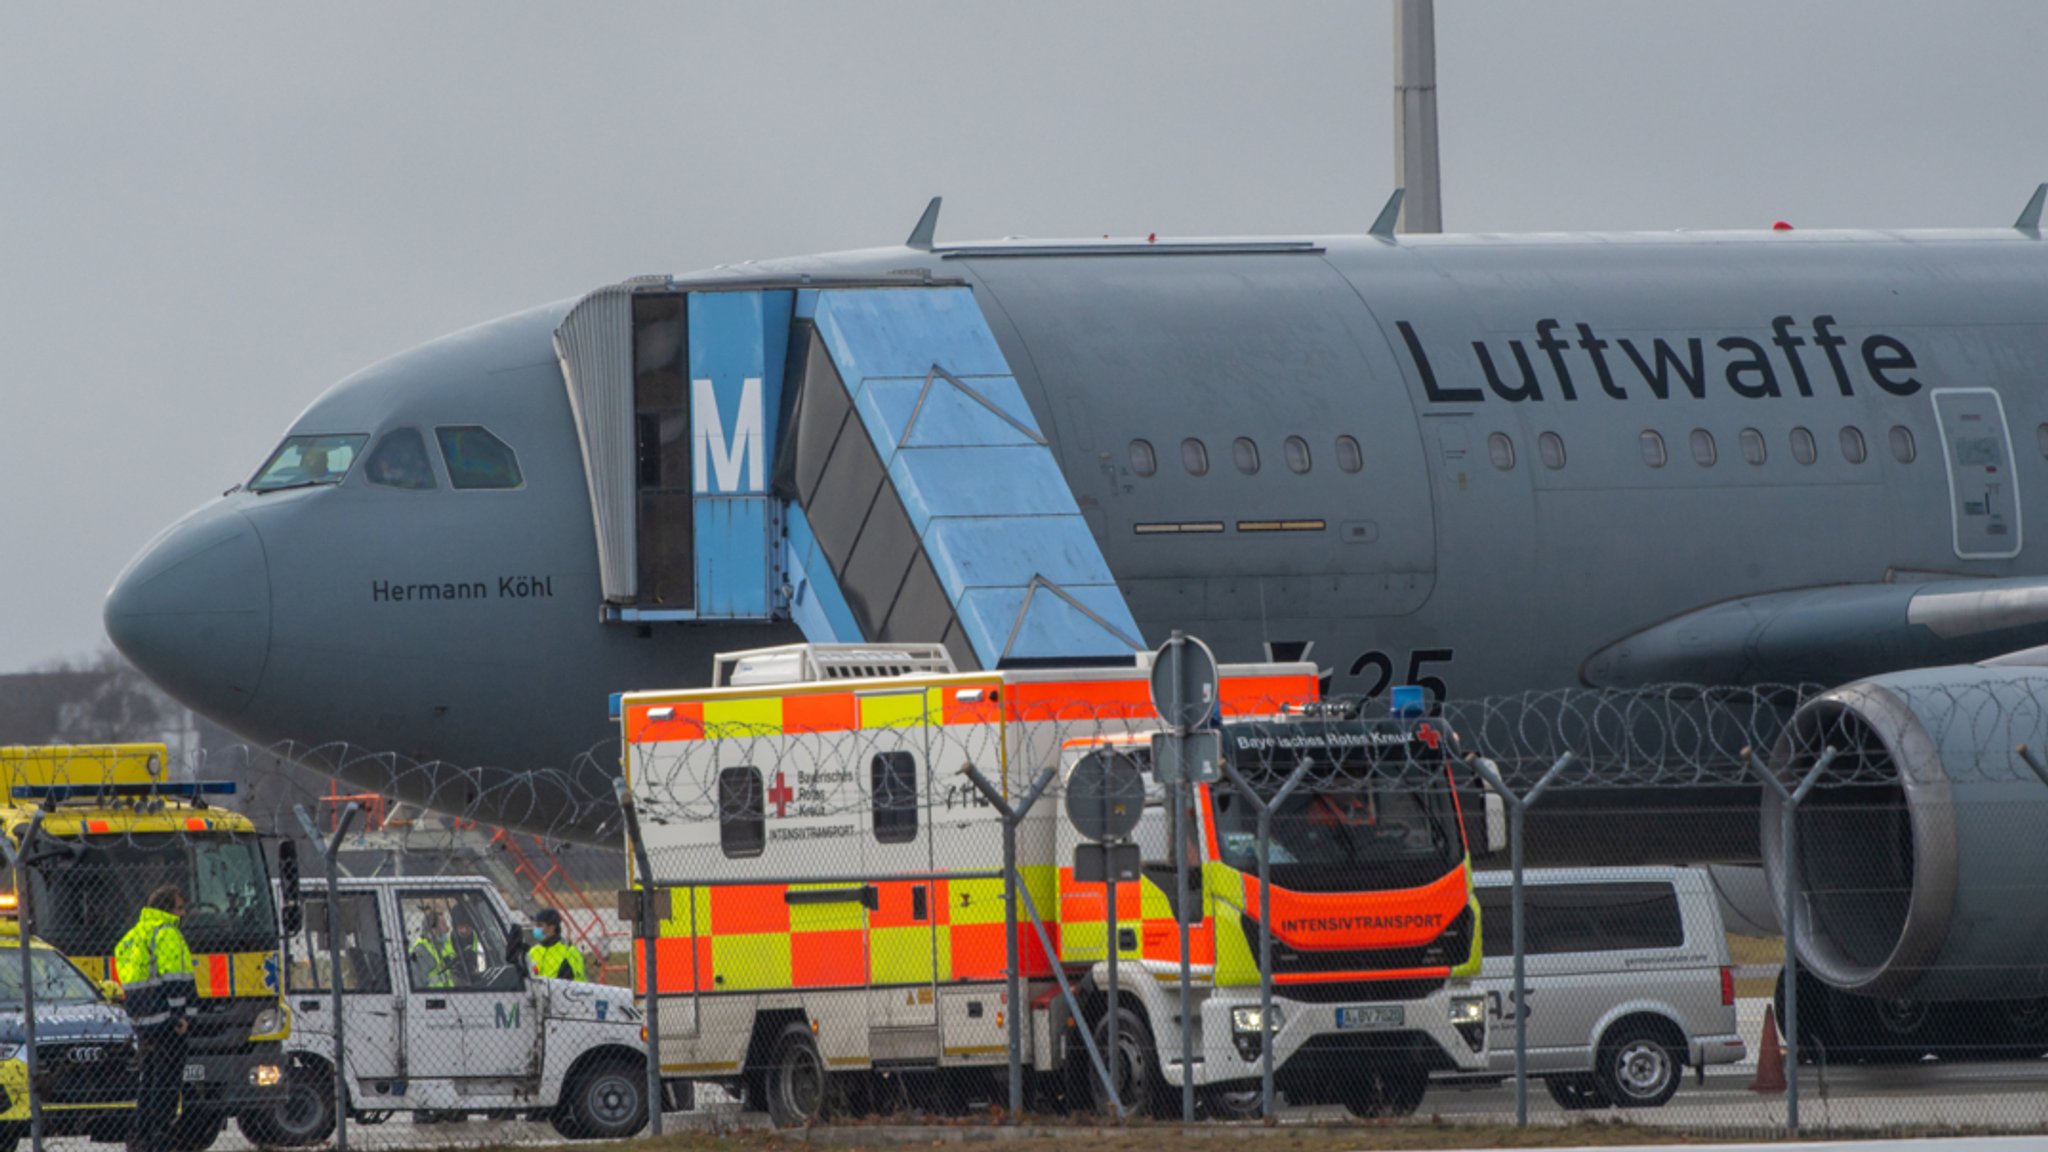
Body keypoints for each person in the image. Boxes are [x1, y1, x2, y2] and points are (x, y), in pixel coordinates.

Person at [115, 886, 197, 1152]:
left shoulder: (132, 936)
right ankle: (159, 1141)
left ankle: (142, 1140)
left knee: (148, 1083)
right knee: (166, 1086)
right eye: (180, 908)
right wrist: (180, 1018)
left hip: (143, 1022)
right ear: (167, 909)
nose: (183, 913)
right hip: (167, 1024)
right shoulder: (167, 933)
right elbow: (175, 980)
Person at [526, 908, 585, 981]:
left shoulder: (569, 951)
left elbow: (578, 981)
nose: (536, 928)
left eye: (540, 925)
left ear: (551, 927)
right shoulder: (534, 951)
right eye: (535, 925)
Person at [410, 908, 457, 989]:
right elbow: (418, 984)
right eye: (443, 924)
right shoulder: (421, 952)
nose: (448, 928)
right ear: (433, 929)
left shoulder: (443, 945)